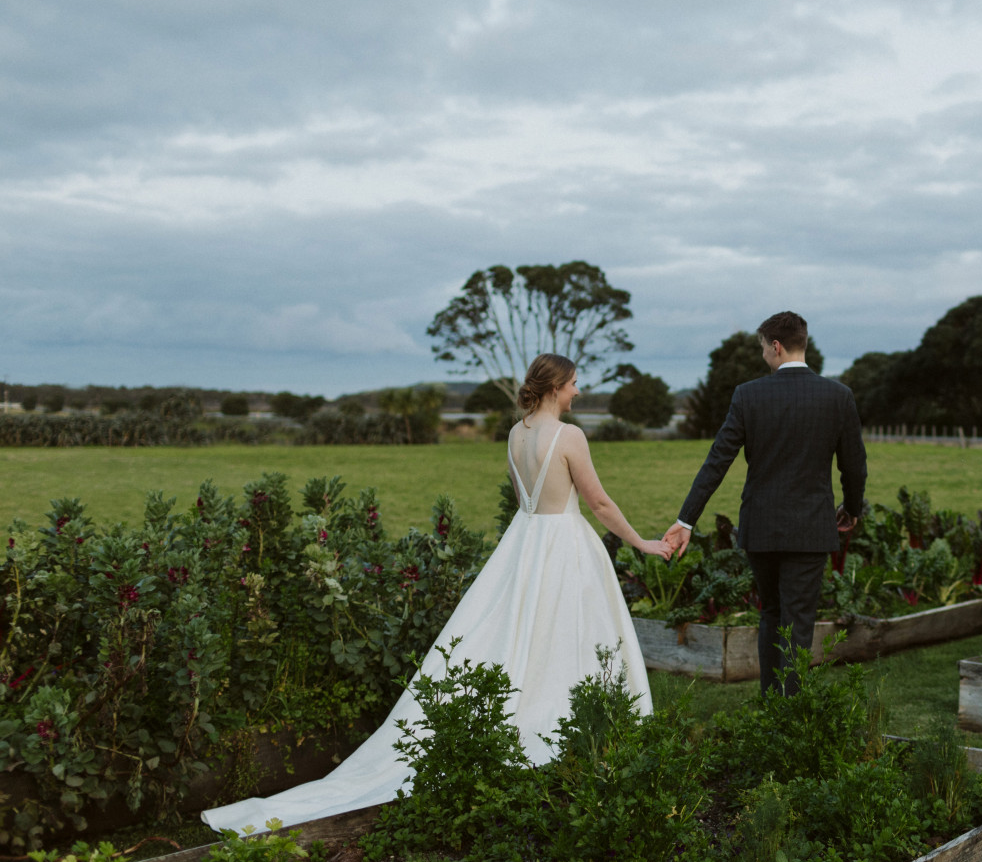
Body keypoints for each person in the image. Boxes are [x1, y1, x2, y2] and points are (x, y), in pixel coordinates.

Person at [203, 353, 668, 832]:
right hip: (562, 542)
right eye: (573, 384)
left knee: (522, 634)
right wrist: (642, 543)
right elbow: (599, 502)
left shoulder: (516, 434)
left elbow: (523, 497)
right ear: (555, 387)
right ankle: (565, 733)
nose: (577, 392)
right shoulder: (569, 436)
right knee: (563, 634)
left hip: (523, 544)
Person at [663, 312, 867, 695]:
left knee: (770, 614)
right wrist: (852, 509)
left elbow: (717, 462)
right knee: (799, 621)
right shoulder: (838, 396)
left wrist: (686, 520)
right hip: (810, 528)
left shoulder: (748, 395)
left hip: (761, 527)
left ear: (775, 346)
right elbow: (854, 467)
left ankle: (772, 710)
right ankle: (791, 717)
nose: (763, 356)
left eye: (762, 348)